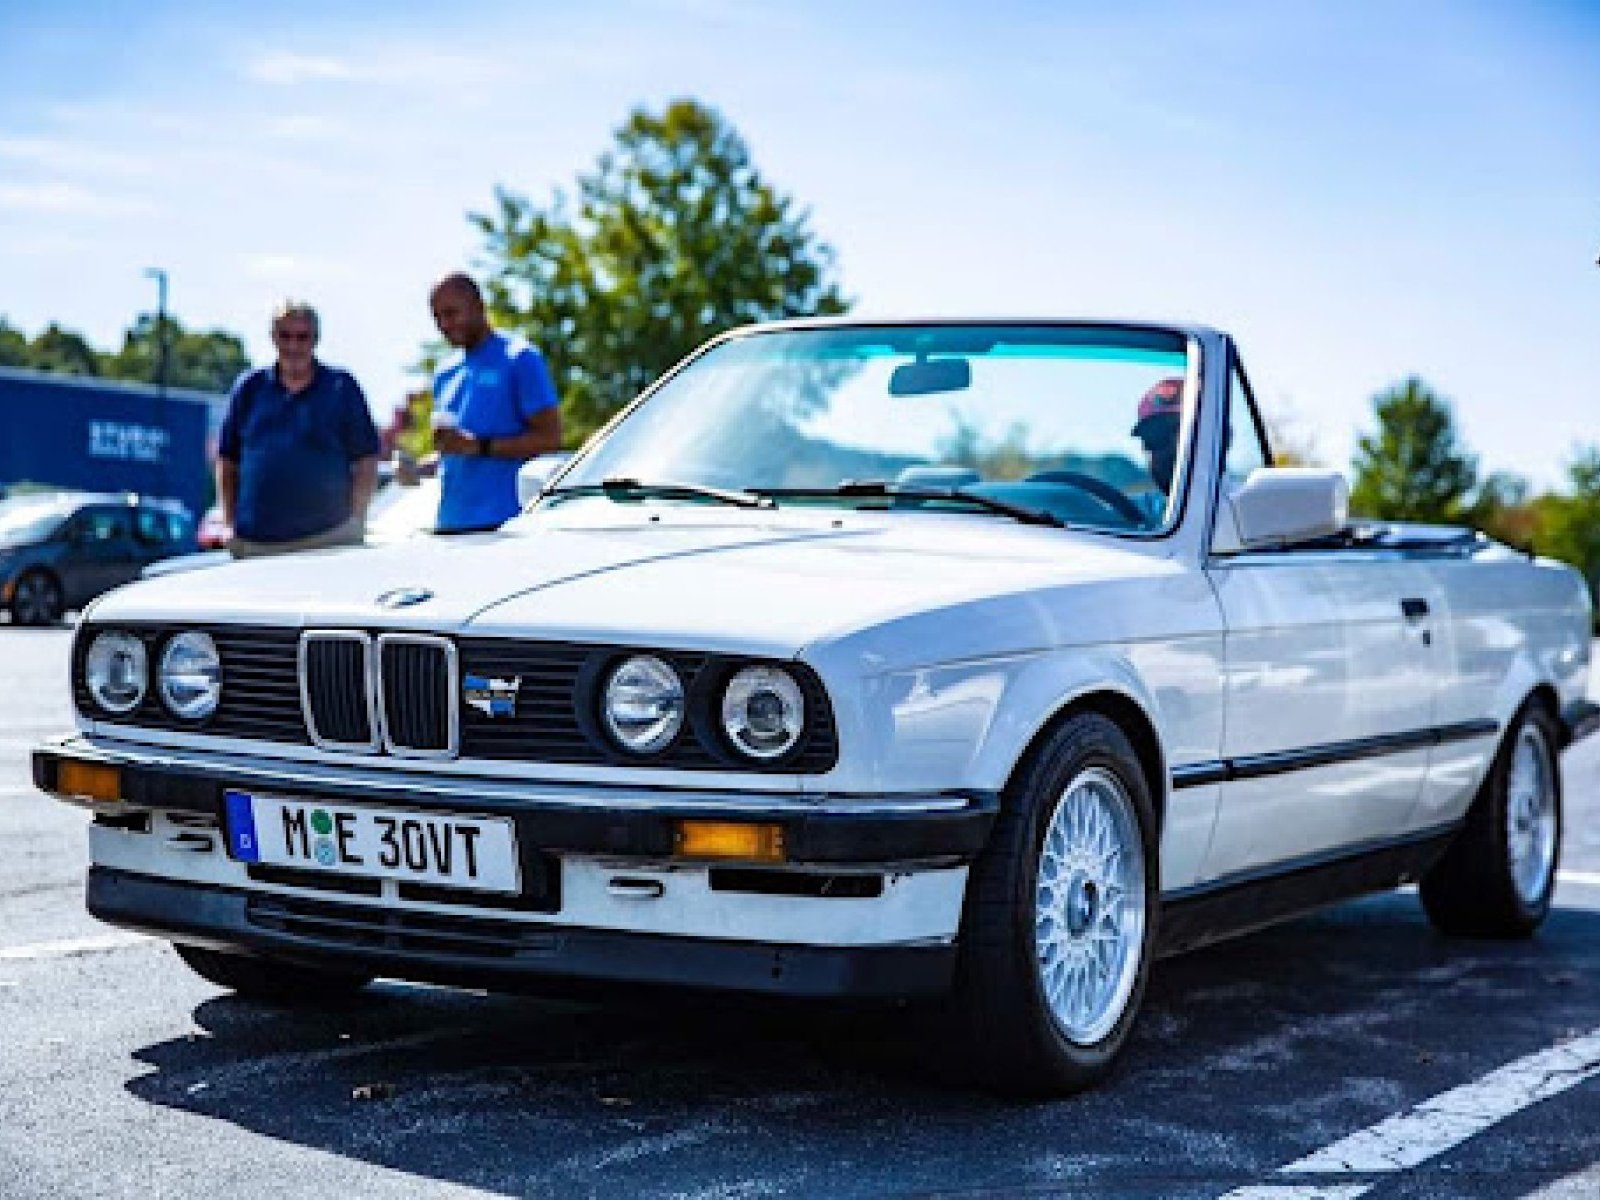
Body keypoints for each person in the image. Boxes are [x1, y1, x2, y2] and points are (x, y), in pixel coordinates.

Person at [217, 301, 380, 558]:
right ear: (273, 337)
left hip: (328, 538)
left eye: (302, 337)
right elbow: (227, 461)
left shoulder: (341, 387)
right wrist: (228, 522)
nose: (293, 346)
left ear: (315, 339)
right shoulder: (250, 388)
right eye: (285, 336)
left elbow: (366, 459)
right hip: (256, 541)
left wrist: (357, 519)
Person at [421, 273, 561, 532]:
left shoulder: (520, 358)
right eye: (437, 317)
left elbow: (550, 439)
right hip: (450, 525)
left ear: (478, 306)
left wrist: (479, 446)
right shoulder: (445, 372)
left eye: (451, 313)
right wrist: (420, 468)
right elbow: (455, 454)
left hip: (505, 527)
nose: (444, 324)